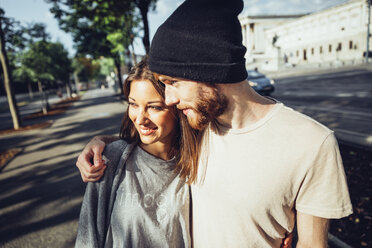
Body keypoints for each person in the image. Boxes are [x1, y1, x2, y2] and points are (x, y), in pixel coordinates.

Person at [76, 0, 352, 247]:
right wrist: (102, 143)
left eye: (173, 83)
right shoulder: (198, 127)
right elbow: (151, 139)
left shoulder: (313, 143)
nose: (169, 99)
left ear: (210, 71)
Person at [75, 58, 201, 248]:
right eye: (133, 104)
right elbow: (88, 237)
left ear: (178, 107)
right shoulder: (109, 159)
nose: (140, 118)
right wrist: (103, 141)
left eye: (154, 107)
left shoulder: (200, 159)